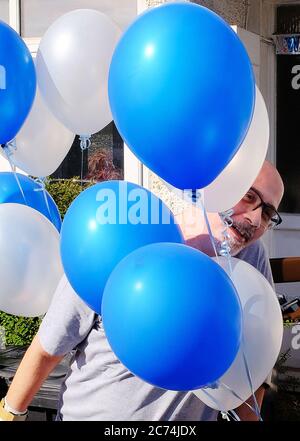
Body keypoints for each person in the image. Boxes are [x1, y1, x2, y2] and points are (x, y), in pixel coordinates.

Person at [0, 160, 284, 421]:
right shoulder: (126, 238)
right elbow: (48, 347)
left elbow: (252, 363)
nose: (256, 219)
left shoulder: (250, 260)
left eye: (269, 212)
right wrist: (11, 413)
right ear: (219, 187)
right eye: (249, 196)